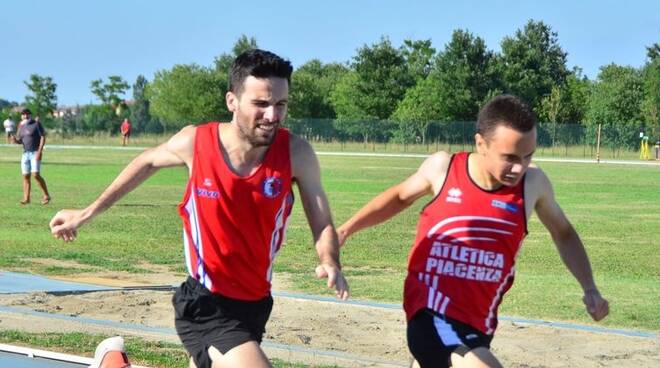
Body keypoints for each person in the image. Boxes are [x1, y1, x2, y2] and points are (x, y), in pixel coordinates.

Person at [49, 49, 349, 368]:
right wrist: (85, 213)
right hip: (205, 302)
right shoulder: (197, 142)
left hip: (255, 304)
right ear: (232, 101)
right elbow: (147, 160)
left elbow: (323, 224)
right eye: (261, 104)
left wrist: (329, 260)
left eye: (281, 105)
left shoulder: (296, 154)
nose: (272, 116)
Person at [337, 95, 609, 368]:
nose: (520, 167)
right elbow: (399, 197)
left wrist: (590, 287)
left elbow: (564, 233)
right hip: (429, 311)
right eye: (510, 157)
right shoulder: (445, 168)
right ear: (481, 143)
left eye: (528, 156)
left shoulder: (533, 184)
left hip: (479, 323)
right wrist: (346, 230)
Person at [13, 108, 51, 205]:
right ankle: (26, 198)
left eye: (27, 114)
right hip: (25, 154)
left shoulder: (36, 124)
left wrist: (40, 151)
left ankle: (46, 195)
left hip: (35, 152)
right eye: (23, 114)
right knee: (26, 176)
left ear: (30, 115)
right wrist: (15, 141)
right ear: (21, 116)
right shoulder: (21, 126)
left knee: (36, 175)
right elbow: (21, 140)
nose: (25, 116)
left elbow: (43, 137)